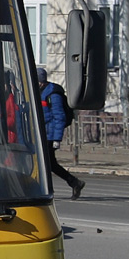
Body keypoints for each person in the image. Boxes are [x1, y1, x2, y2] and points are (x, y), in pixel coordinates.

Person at [38, 67, 84, 199]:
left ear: (41, 81)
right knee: (50, 164)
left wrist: (57, 139)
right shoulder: (40, 92)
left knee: (45, 164)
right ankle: (75, 182)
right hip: (43, 133)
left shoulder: (53, 94)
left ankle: (47, 191)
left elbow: (59, 117)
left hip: (49, 135)